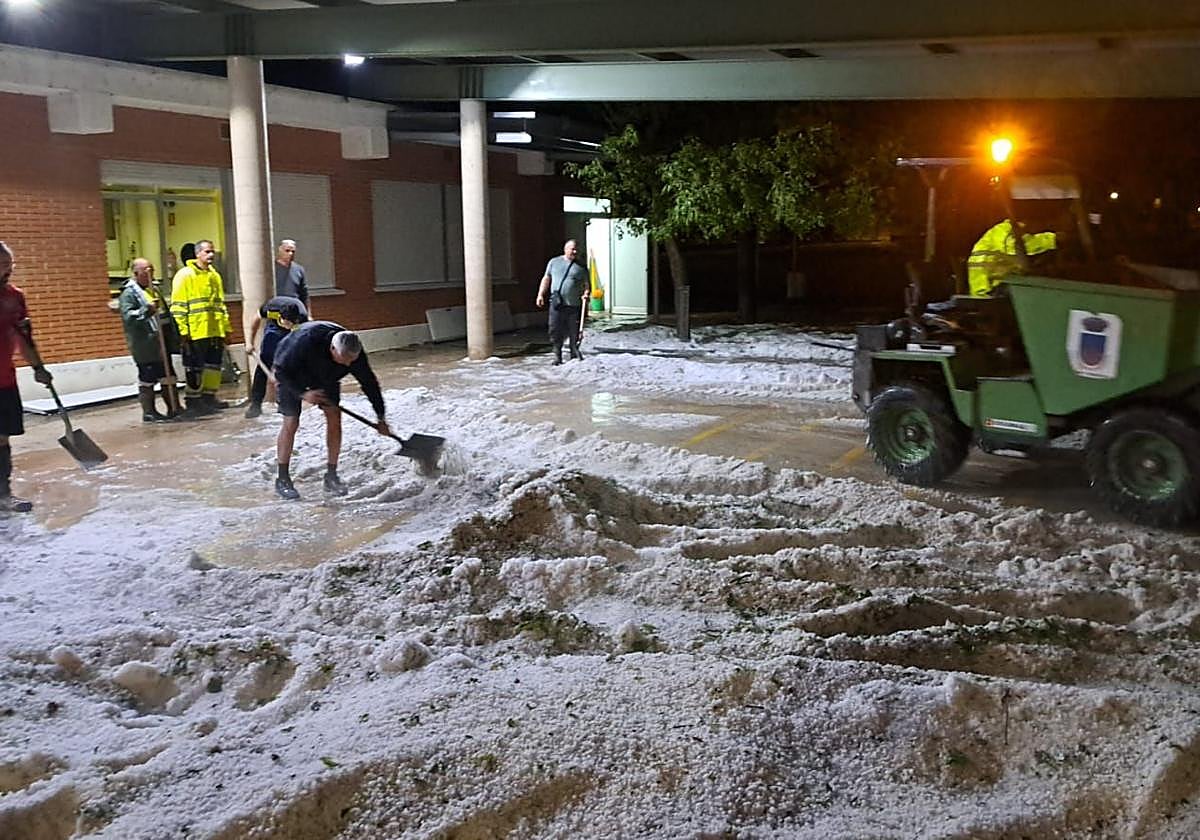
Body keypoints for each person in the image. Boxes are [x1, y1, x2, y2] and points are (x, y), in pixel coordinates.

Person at [270, 322, 389, 500]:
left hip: (327, 376)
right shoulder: (304, 342)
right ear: (333, 348)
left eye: (351, 360)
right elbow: (279, 371)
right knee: (291, 421)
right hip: (292, 374)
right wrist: (303, 393)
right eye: (345, 359)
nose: (349, 364)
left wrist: (381, 417)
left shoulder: (353, 354)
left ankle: (331, 475)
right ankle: (283, 478)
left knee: (334, 415)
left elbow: (369, 384)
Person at [0, 241, 53, 513]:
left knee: (2, 438)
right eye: (2, 266)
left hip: (4, 380)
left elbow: (24, 339)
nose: (7, 271)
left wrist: (38, 367)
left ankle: (3, 494)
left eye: (9, 266)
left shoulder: (15, 297)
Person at [170, 239, 231, 415]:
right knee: (195, 368)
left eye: (212, 251)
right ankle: (193, 400)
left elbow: (220, 305)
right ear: (197, 254)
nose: (211, 255)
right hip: (195, 331)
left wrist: (226, 329)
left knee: (213, 366)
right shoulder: (185, 275)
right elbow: (178, 306)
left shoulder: (214, 276)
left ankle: (209, 397)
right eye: (207, 252)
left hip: (214, 329)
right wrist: (183, 331)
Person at [119, 258, 181, 422]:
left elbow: (166, 314)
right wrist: (146, 310)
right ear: (136, 273)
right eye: (146, 271)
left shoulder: (155, 290)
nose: (150, 274)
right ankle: (149, 412)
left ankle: (174, 408)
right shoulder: (129, 294)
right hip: (145, 345)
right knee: (148, 378)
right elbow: (128, 317)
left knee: (168, 377)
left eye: (152, 270)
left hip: (162, 342)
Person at [244, 295, 309, 419]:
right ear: (281, 317)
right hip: (274, 330)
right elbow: (256, 319)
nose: (288, 325)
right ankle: (255, 404)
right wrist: (249, 342)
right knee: (265, 361)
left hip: (293, 333)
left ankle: (284, 404)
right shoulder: (271, 309)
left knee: (288, 364)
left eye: (291, 323)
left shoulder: (302, 319)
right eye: (287, 323)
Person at [967, 219, 1058, 297]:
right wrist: (1052, 239)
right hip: (988, 287)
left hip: (985, 286)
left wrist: (1052, 240)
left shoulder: (1006, 231)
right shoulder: (1006, 232)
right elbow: (1019, 251)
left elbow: (1027, 244)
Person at [535, 239, 590, 365]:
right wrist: (540, 294)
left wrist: (586, 293)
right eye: (572, 249)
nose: (575, 252)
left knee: (573, 331)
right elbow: (546, 278)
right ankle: (557, 355)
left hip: (574, 305)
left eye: (576, 249)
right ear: (565, 249)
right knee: (555, 329)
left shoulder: (581, 267)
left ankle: (574, 353)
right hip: (557, 304)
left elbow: (587, 284)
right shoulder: (554, 262)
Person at [274, 239, 311, 315]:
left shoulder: (299, 270)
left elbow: (304, 294)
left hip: (294, 310)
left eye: (293, 251)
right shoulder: (272, 269)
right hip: (277, 309)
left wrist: (308, 314)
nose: (290, 254)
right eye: (287, 251)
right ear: (280, 250)